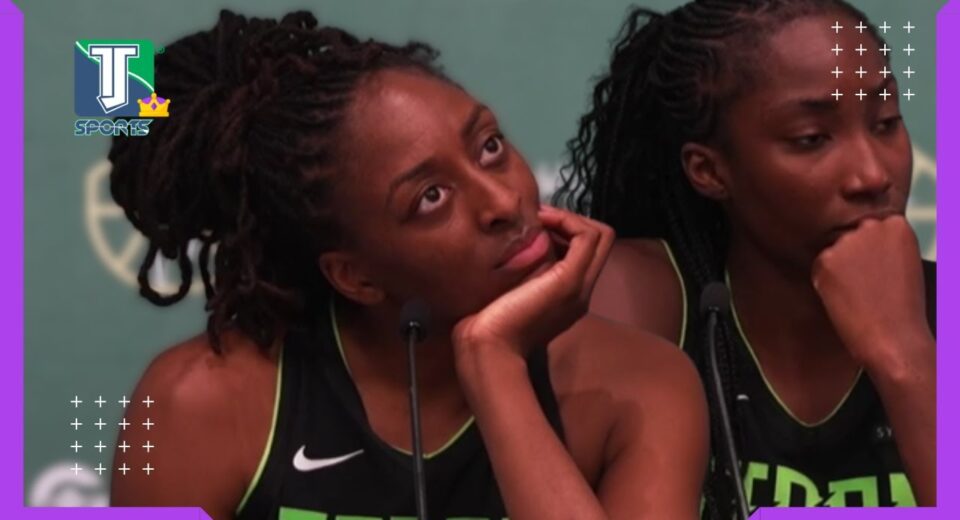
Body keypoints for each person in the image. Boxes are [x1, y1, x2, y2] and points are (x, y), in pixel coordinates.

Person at [107, 10, 708, 520]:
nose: (503, 203)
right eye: (431, 198)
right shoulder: (197, 402)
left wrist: (494, 364)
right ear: (355, 276)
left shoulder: (642, 386)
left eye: (490, 147)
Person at [554, 0, 936, 516]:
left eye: (885, 123)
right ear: (709, 171)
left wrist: (906, 358)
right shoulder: (639, 299)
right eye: (811, 139)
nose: (872, 174)